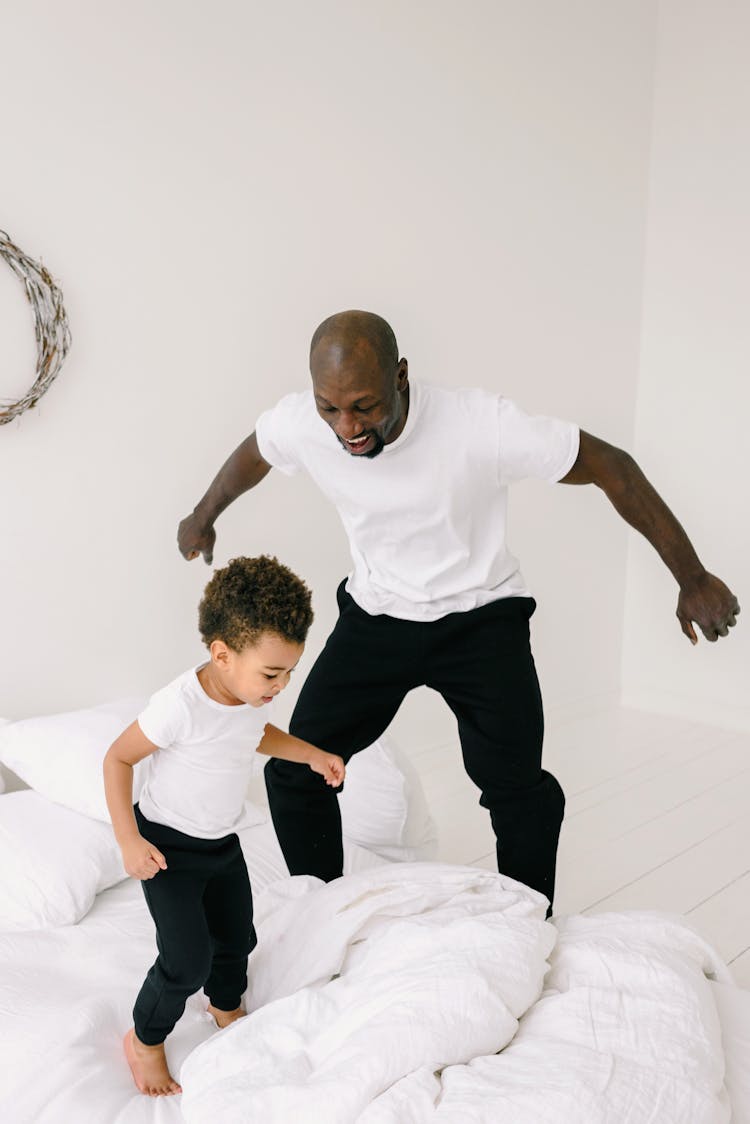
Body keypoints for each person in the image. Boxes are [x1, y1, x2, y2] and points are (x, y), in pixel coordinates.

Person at [177, 309, 740, 919]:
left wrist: (692, 576)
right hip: (378, 617)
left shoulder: (480, 425)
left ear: (401, 376)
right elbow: (257, 451)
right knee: (294, 770)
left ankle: (526, 927)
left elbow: (611, 464)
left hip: (481, 621)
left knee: (517, 791)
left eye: (365, 406)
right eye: (330, 409)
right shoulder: (305, 422)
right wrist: (204, 514)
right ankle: (323, 919)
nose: (347, 426)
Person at [103, 554, 345, 1097]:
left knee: (236, 939)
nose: (280, 685)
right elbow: (117, 759)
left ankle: (226, 1006)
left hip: (220, 842)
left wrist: (309, 754)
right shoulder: (178, 707)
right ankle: (144, 1038)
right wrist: (128, 838)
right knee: (186, 960)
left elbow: (254, 735)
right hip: (168, 848)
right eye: (271, 673)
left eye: (288, 673)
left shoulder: (247, 695)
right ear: (222, 654)